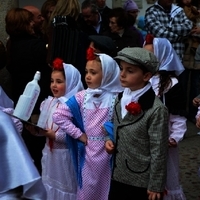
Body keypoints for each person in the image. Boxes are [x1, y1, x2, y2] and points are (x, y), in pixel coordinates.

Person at [53, 52, 124, 200]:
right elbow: (58, 115)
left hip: (109, 152)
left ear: (108, 74)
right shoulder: (82, 96)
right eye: (86, 72)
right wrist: (79, 134)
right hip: (88, 153)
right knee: (88, 188)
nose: (88, 76)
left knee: (108, 189)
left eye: (93, 72)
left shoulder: (117, 97)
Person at [105, 47, 169, 200]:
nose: (122, 74)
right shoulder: (120, 98)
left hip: (140, 179)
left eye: (130, 71)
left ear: (146, 75)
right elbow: (115, 124)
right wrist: (109, 139)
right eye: (121, 69)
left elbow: (159, 151)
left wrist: (156, 185)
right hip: (117, 173)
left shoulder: (156, 109)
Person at [26, 57, 84, 200]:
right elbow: (45, 127)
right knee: (49, 186)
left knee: (65, 189)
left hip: (65, 157)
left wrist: (55, 136)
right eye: (52, 81)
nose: (54, 85)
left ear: (70, 83)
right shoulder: (48, 102)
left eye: (59, 82)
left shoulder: (75, 106)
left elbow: (78, 135)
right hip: (50, 155)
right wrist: (37, 131)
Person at [5, 7, 52, 174]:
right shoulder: (36, 46)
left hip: (19, 99)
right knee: (38, 141)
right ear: (24, 24)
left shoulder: (11, 45)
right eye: (30, 20)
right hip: (37, 101)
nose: (33, 22)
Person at [144, 36, 187, 200]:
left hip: (164, 141)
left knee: (165, 177)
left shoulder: (171, 84)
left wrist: (174, 137)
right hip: (143, 141)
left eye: (151, 55)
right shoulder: (141, 79)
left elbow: (178, 116)